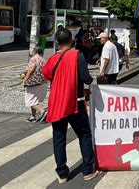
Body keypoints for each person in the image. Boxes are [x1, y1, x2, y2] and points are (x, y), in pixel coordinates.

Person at [42, 28, 101, 183]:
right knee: (84, 135)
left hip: (56, 103)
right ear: (71, 40)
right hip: (75, 102)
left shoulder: (52, 58)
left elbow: (46, 74)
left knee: (59, 138)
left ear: (57, 42)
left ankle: (62, 174)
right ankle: (88, 170)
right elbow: (86, 78)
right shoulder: (77, 55)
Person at [23, 47, 47, 123]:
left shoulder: (33, 59)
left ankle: (43, 112)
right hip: (42, 82)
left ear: (34, 51)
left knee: (30, 100)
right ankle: (33, 117)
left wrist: (25, 80)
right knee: (34, 100)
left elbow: (31, 69)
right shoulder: (43, 59)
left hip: (33, 82)